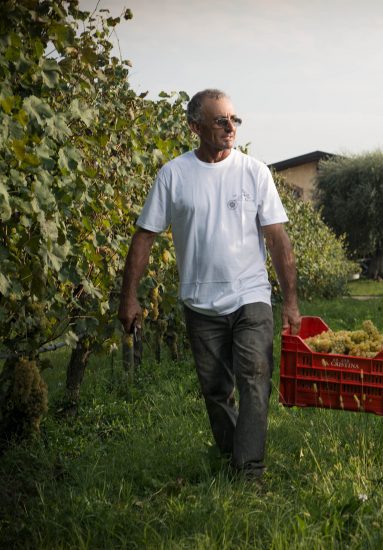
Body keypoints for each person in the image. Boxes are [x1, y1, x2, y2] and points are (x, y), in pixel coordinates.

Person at [118, 88, 301, 482]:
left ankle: (249, 469)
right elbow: (144, 236)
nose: (230, 127)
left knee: (255, 379)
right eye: (221, 120)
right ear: (195, 127)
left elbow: (278, 240)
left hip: (251, 296)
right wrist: (129, 296)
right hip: (200, 303)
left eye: (234, 119)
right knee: (217, 391)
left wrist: (290, 302)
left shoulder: (255, 173)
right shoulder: (173, 175)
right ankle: (234, 453)